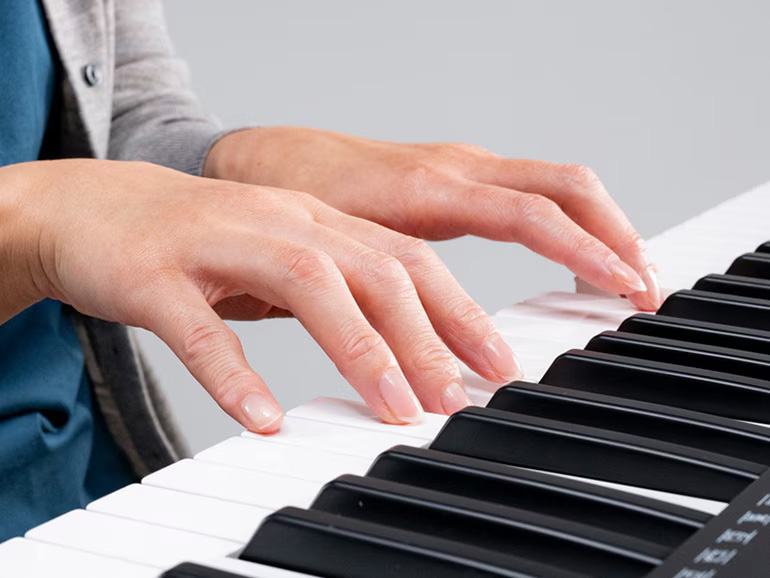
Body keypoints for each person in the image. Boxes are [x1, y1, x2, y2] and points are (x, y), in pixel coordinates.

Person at [0, 0, 661, 541]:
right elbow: (54, 204)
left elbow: (112, 100)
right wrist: (28, 224)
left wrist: (239, 162)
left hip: (79, 489)